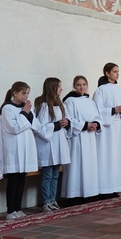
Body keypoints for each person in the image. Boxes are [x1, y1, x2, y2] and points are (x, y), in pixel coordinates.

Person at [0, 81, 38, 221]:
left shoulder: (25, 108)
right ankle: (10, 211)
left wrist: (28, 112)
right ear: (14, 93)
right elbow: (14, 128)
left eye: (27, 93)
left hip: (26, 147)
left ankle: (18, 209)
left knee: (22, 178)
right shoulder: (7, 108)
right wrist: (25, 113)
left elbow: (35, 125)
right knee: (14, 179)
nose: (26, 96)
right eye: (23, 93)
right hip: (13, 148)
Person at [34, 78, 72, 212]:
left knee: (55, 174)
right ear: (52, 88)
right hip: (48, 144)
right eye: (59, 87)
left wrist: (66, 123)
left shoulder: (60, 104)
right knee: (47, 174)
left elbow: (64, 121)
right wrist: (57, 125)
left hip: (58, 143)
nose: (61, 89)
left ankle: (52, 199)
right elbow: (40, 127)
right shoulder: (43, 105)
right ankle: (46, 201)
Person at [62, 75, 102, 202]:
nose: (81, 87)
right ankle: (74, 194)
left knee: (89, 164)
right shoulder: (69, 101)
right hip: (77, 137)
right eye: (79, 85)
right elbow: (69, 119)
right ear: (74, 86)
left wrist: (95, 124)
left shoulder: (90, 101)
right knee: (77, 164)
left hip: (89, 138)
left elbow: (97, 115)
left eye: (84, 84)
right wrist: (85, 125)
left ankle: (90, 192)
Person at [93, 62, 121, 197]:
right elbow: (97, 110)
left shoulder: (119, 89)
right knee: (106, 156)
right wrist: (115, 110)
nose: (117, 74)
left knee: (116, 157)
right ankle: (104, 188)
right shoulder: (100, 90)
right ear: (107, 73)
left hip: (117, 127)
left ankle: (115, 186)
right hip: (106, 130)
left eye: (118, 71)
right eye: (115, 71)